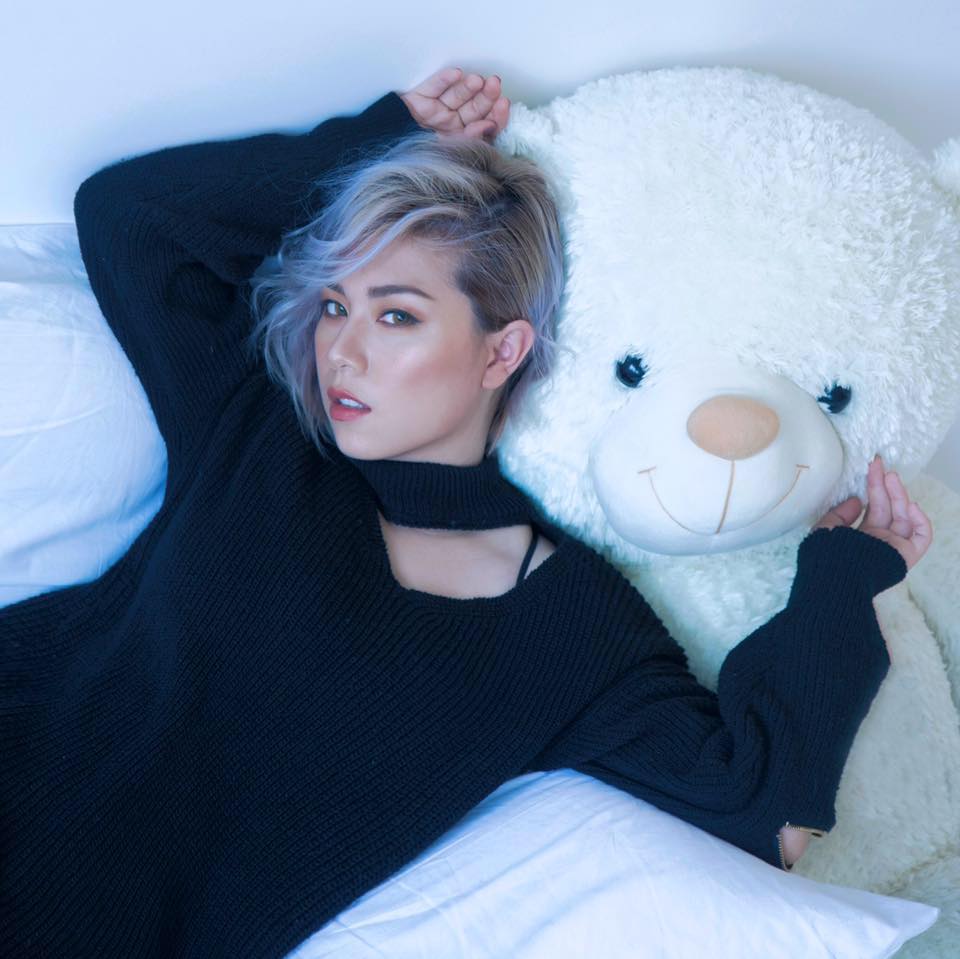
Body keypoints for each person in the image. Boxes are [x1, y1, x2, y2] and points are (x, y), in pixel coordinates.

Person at [0, 67, 933, 959]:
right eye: (335, 305)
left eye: (396, 315)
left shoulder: (570, 627)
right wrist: (387, 138)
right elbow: (129, 220)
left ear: (502, 351)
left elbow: (761, 810)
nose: (341, 350)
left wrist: (842, 578)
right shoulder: (268, 438)